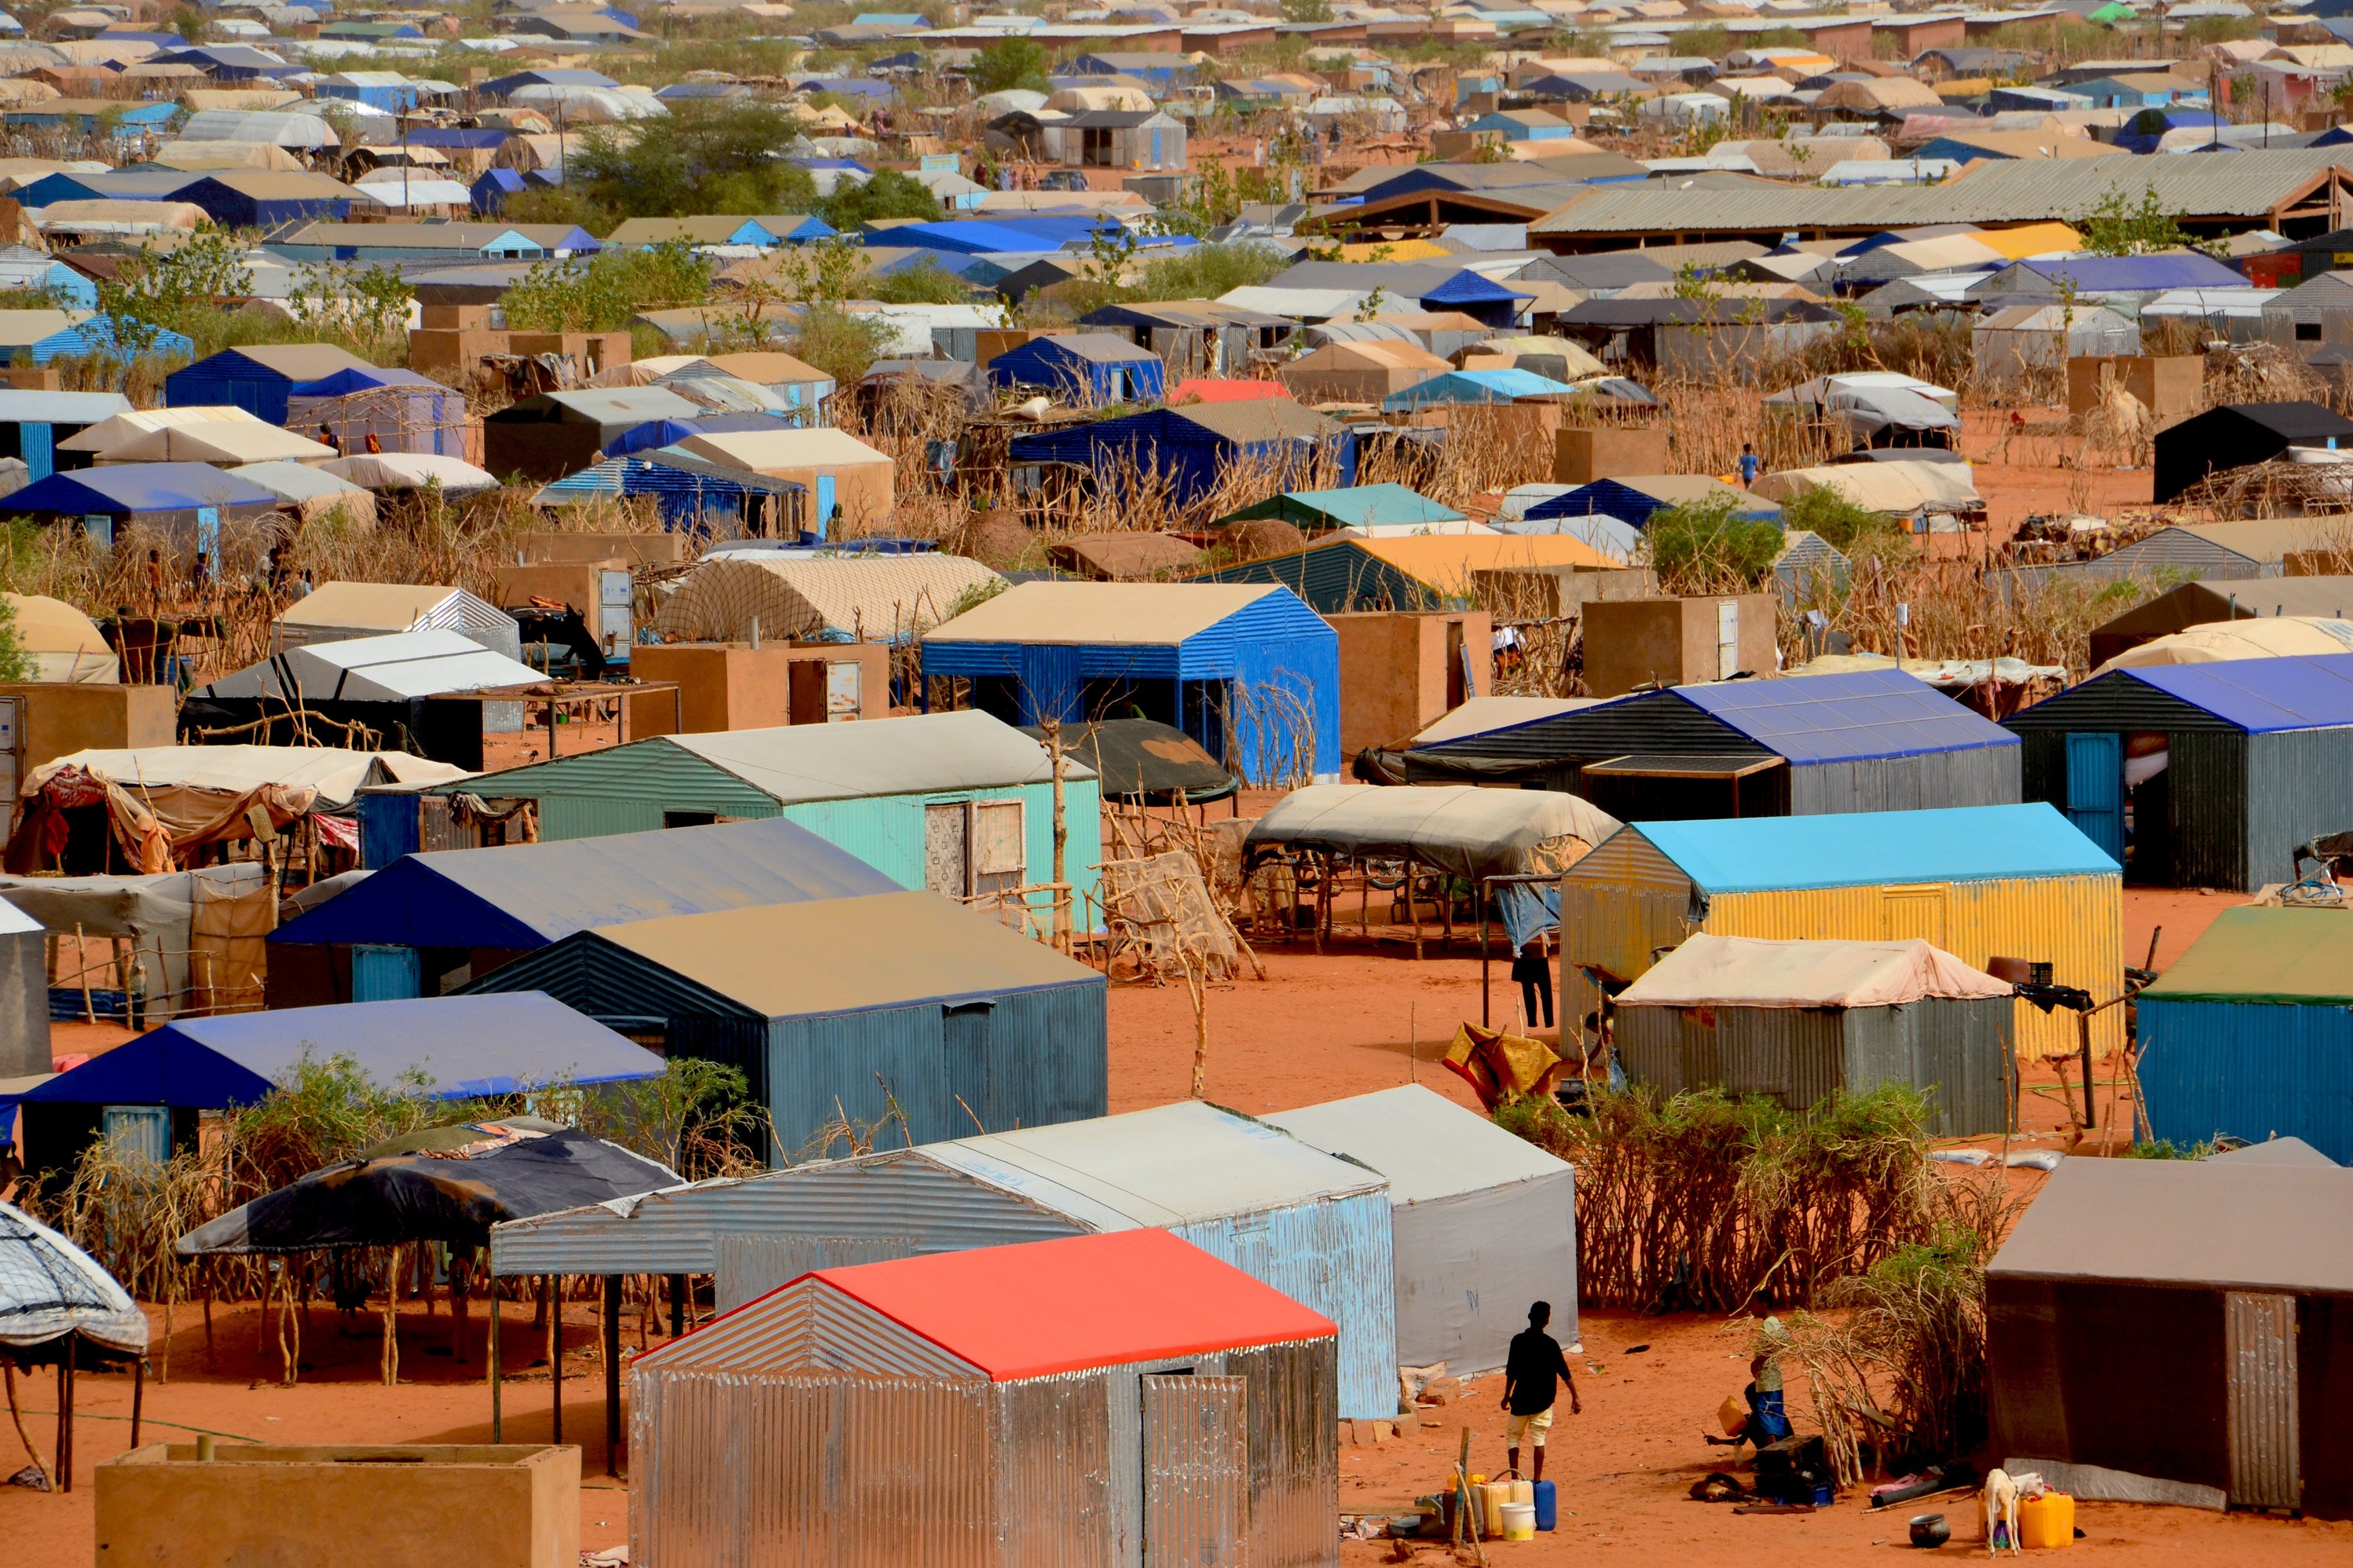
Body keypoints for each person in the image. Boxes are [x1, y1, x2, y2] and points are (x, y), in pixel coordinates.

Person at [1501, 1301, 1579, 1482]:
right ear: (1547, 1321)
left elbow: (1511, 1372)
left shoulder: (1518, 1341)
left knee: (1513, 1438)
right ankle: (1537, 1480)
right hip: (1543, 1401)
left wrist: (1506, 1396)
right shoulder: (1550, 1344)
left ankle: (1515, 1479)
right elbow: (1564, 1372)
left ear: (1530, 1317)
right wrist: (1575, 1396)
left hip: (1520, 1400)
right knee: (1539, 1438)